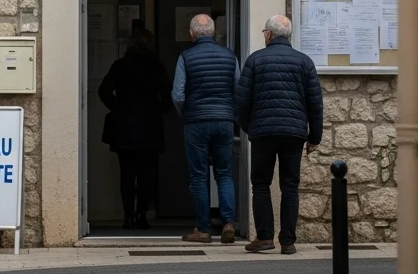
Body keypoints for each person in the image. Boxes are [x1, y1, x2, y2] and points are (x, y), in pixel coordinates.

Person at [235, 14, 323, 255]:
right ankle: (288, 241)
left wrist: (249, 128)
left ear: (268, 34)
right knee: (290, 187)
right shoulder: (304, 62)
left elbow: (242, 103)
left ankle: (264, 237)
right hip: (294, 133)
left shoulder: (255, 61)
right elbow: (315, 103)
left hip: (263, 132)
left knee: (261, 185)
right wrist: (314, 136)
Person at [171, 13, 241, 245]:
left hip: (197, 122)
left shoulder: (186, 57)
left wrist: (188, 114)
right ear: (213, 33)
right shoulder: (230, 56)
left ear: (191, 34)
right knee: (224, 173)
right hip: (223, 121)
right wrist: (231, 114)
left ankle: (202, 229)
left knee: (199, 176)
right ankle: (228, 223)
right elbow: (238, 90)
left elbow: (178, 95)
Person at [98, 28, 172, 229]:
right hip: (150, 126)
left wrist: (117, 107)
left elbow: (103, 90)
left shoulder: (120, 66)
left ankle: (127, 216)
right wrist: (161, 109)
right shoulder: (156, 67)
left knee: (127, 174)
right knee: (147, 174)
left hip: (124, 126)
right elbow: (168, 97)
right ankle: (142, 215)